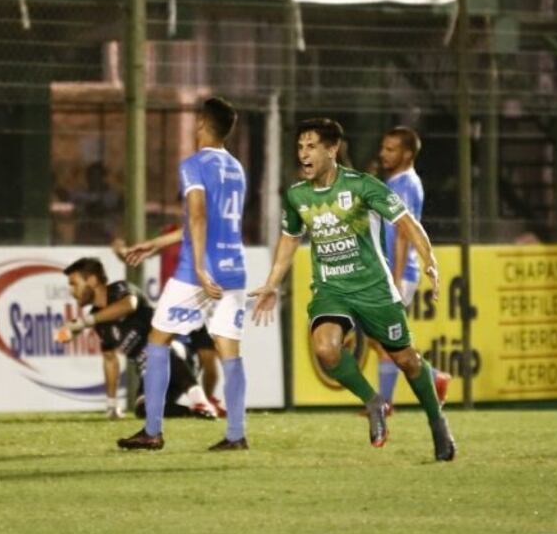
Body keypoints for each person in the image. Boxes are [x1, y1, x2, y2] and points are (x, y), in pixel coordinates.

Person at [250, 118, 455, 461]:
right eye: (300, 147)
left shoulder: (362, 186)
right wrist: (273, 282)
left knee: (408, 360)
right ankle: (374, 401)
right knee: (326, 349)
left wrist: (429, 258)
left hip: (374, 289)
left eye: (311, 146)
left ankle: (438, 424)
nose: (304, 154)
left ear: (332, 150)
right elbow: (289, 239)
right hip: (332, 289)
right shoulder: (297, 195)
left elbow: (406, 222)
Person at [117, 96, 248, 451]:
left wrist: (202, 269)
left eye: (197, 121)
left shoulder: (193, 164)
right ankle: (236, 435)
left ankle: (152, 431)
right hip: (234, 269)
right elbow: (211, 222)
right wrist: (156, 243)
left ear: (203, 125)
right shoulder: (236, 168)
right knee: (230, 352)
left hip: (196, 270)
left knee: (157, 341)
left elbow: (198, 215)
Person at [58, 257, 217, 420]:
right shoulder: (98, 320)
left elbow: (129, 305)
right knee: (143, 409)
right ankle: (196, 412)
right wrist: (112, 405)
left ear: (91, 280)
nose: (71, 291)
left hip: (180, 355)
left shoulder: (119, 289)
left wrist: (84, 322)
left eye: (74, 283)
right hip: (149, 371)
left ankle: (200, 401)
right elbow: (110, 360)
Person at [373, 126, 451, 411]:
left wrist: (392, 279)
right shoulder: (396, 182)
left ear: (407, 154)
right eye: (383, 148)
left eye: (390, 149)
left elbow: (404, 233)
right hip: (392, 271)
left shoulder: (405, 184)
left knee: (384, 339)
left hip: (400, 273)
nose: (383, 153)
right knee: (383, 339)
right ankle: (435, 378)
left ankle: (385, 403)